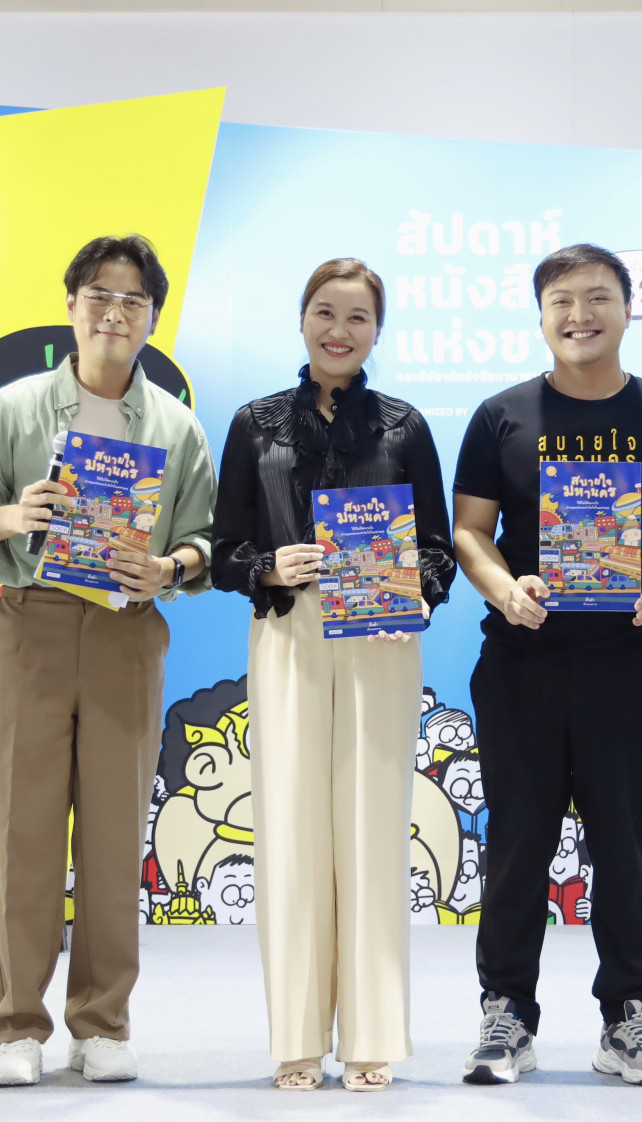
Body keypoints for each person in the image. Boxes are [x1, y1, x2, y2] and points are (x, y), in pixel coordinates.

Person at [0, 234, 217, 1088]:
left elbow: (206, 540)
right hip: (30, 625)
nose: (114, 312)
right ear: (71, 305)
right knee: (25, 831)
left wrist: (170, 567)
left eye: (133, 300)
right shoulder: (13, 409)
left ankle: (102, 1024)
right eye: (99, 295)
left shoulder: (176, 425)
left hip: (125, 634)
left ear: (152, 318)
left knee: (113, 835)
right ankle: (15, 1028)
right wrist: (12, 516)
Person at [451, 243, 642, 1087]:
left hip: (625, 665)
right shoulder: (501, 417)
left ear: (628, 308)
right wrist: (504, 589)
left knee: (625, 846)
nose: (580, 315)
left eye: (598, 297)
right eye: (562, 300)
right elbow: (470, 531)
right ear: (541, 316)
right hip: (521, 664)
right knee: (517, 844)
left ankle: (630, 1016)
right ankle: (506, 1014)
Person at [211, 257, 456, 1093]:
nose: (339, 330)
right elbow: (223, 549)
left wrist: (417, 593)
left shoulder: (404, 426)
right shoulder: (255, 424)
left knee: (373, 833)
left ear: (377, 330)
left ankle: (371, 1038)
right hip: (287, 633)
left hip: (381, 638)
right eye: (325, 312)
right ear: (302, 320)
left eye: (357, 317)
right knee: (289, 833)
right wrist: (268, 566)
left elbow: (436, 547)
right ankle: (295, 1039)